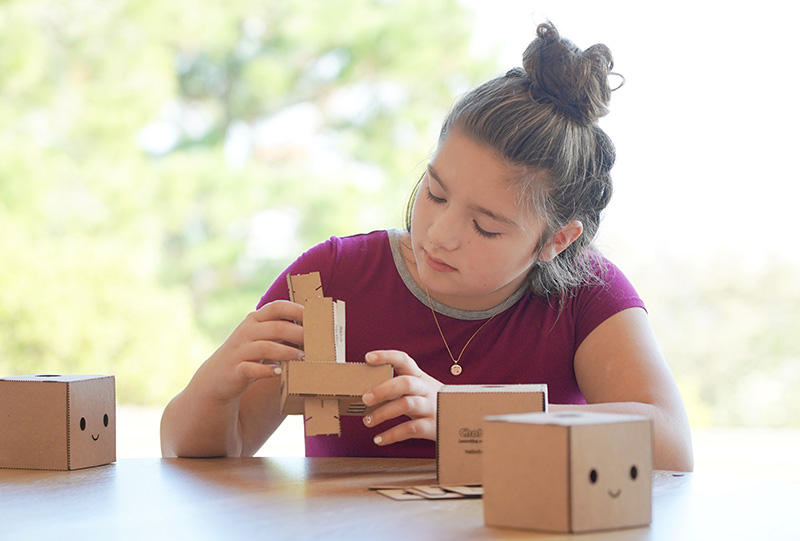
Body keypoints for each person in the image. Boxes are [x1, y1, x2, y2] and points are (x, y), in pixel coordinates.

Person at [161, 22, 694, 472]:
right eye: (434, 193)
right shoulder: (331, 277)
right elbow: (203, 452)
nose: (439, 233)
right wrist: (216, 381)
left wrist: (468, 413)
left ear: (557, 240)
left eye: (486, 227)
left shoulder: (587, 294)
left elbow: (670, 445)